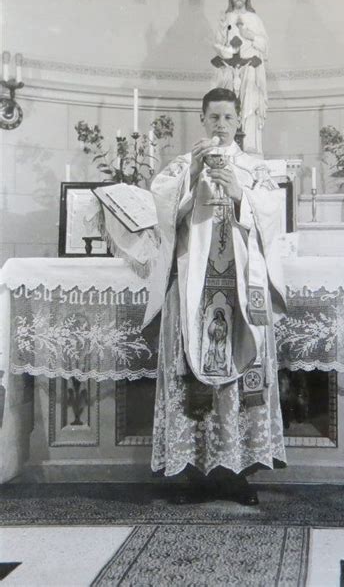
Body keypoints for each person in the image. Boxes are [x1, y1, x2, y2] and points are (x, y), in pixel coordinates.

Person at [106, 88, 286, 505]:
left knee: (241, 376)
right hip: (192, 290)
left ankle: (237, 471)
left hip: (241, 291)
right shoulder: (181, 167)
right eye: (214, 117)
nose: (221, 125)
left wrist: (240, 194)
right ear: (202, 120)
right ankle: (195, 472)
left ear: (240, 121)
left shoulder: (256, 170)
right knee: (188, 375)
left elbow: (274, 217)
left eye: (228, 117)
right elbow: (160, 218)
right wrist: (192, 176)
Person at [212, 0, 268, 156]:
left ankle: (250, 146)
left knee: (249, 104)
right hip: (230, 70)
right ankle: (226, 145)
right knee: (228, 105)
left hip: (250, 67)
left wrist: (249, 35)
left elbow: (265, 45)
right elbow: (219, 45)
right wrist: (222, 28)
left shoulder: (254, 19)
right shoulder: (226, 18)